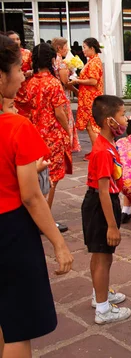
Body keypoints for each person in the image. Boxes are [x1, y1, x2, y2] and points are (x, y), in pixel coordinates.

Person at [0, 34, 73, 357]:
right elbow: (30, 196)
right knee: (19, 324)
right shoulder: (15, 127)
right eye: (17, 70)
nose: (21, 76)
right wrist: (58, 243)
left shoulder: (23, 109)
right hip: (11, 229)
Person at [81, 95, 131, 325]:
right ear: (110, 121)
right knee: (102, 256)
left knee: (103, 255)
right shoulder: (102, 151)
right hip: (101, 206)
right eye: (122, 115)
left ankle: (99, 293)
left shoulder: (108, 145)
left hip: (105, 203)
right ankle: (103, 309)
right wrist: (112, 225)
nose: (126, 119)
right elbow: (102, 190)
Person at [24, 43, 72, 233]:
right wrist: (67, 129)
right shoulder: (52, 83)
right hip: (51, 133)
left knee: (37, 175)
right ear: (51, 59)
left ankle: (35, 215)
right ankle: (45, 219)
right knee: (52, 177)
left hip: (34, 133)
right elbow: (59, 112)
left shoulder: (31, 82)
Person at [69, 37, 103, 149]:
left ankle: (96, 151)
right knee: (90, 125)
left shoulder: (94, 62)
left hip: (90, 98)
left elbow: (93, 81)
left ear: (92, 48)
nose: (83, 50)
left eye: (84, 47)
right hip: (88, 97)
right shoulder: (92, 61)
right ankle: (96, 149)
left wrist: (77, 81)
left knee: (91, 125)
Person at [52, 37, 81, 153]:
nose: (67, 49)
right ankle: (67, 143)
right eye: (65, 46)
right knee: (66, 118)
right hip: (63, 94)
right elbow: (65, 82)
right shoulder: (62, 63)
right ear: (59, 48)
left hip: (56, 92)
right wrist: (76, 90)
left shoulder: (53, 60)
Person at [7, 31, 33, 119]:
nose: (16, 41)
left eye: (17, 39)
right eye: (12, 39)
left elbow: (35, 69)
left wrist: (30, 72)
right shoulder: (5, 54)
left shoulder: (27, 53)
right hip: (11, 87)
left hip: (26, 87)